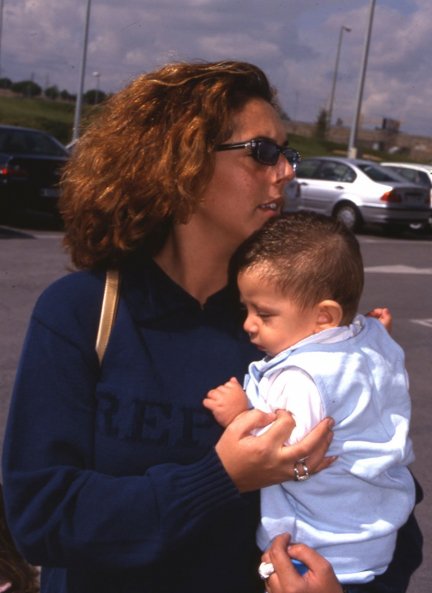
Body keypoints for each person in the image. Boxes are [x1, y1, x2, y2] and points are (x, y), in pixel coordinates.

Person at [1, 61, 421, 593]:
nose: (286, 171)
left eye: (286, 153)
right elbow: (41, 518)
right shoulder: (83, 311)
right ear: (181, 165)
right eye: (262, 152)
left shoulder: (299, 326)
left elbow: (387, 503)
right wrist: (219, 478)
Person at [204, 212, 419, 588]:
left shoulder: (300, 377)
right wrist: (375, 332)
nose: (248, 324)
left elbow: (291, 454)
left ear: (324, 317)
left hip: (314, 547)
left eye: (264, 314)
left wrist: (240, 414)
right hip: (372, 538)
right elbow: (366, 340)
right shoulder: (365, 337)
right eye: (246, 309)